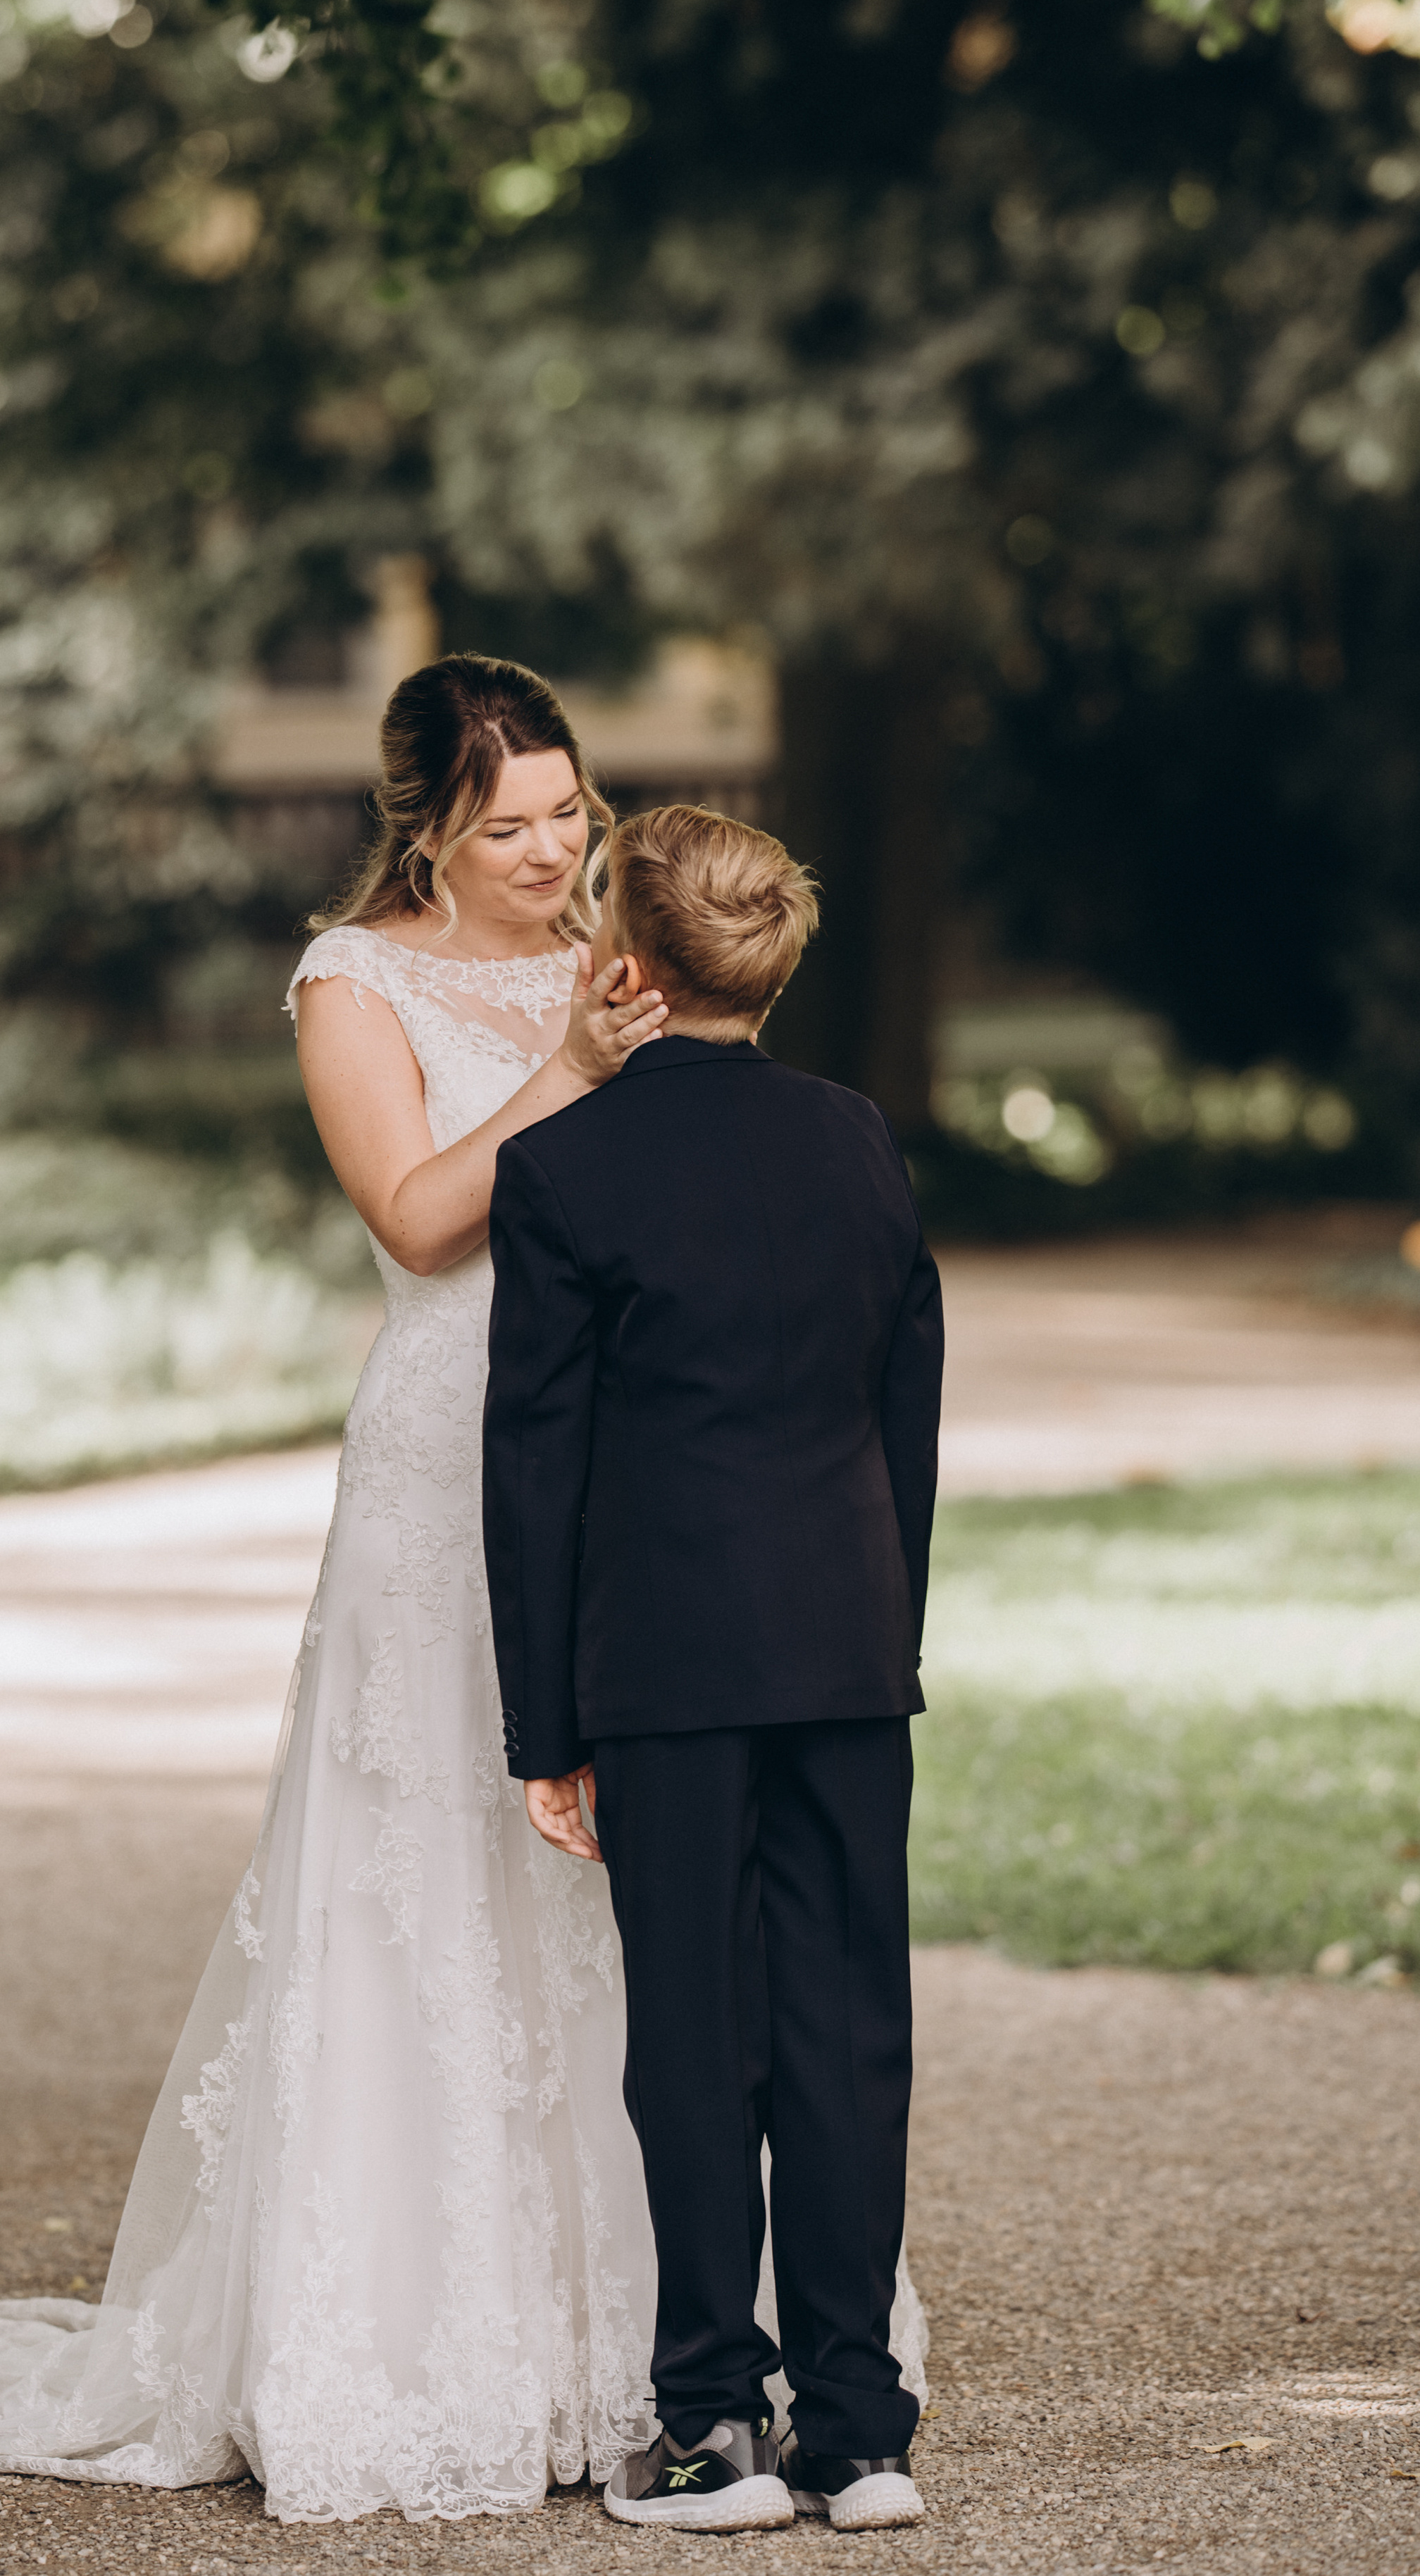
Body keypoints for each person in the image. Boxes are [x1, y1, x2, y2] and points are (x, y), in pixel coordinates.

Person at [0, 658, 925, 2520]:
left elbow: (734, 1181)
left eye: (572, 814)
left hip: (643, 1476)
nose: (554, 854)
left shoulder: (623, 946)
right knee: (440, 1872)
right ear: (428, 830)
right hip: (446, 1462)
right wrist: (572, 1069)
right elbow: (420, 1214)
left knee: (664, 1942)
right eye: (511, 825)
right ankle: (430, 2330)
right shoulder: (352, 981)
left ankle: (667, 2349)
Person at [483, 803, 945, 2535]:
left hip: (663, 1669)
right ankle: (856, 2432)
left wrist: (545, 1723)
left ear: (629, 964)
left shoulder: (567, 1170)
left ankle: (705, 2431)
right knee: (847, 2028)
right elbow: (905, 1414)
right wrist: (878, 1635)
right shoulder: (856, 1144)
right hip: (841, 1651)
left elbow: (534, 1464)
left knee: (694, 2036)